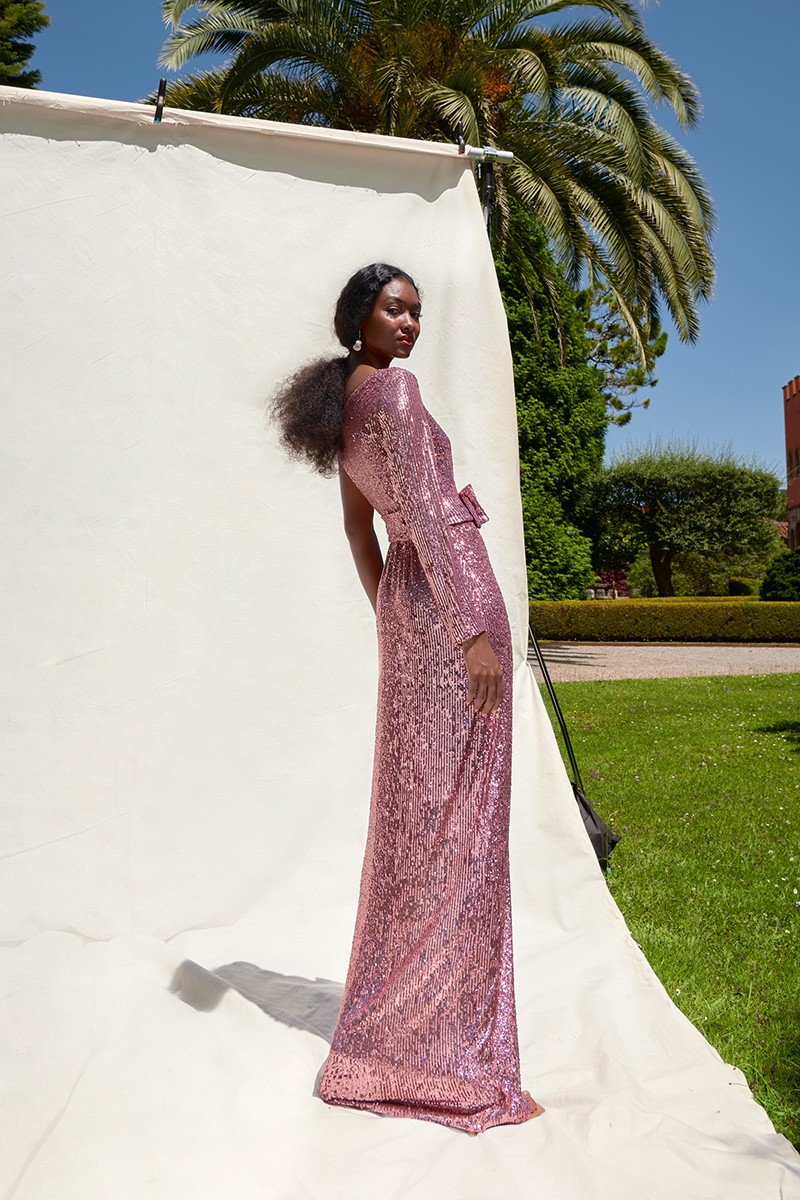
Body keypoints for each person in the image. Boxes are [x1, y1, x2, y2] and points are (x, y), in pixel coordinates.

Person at [271, 263, 543, 1134]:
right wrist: (466, 631)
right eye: (395, 309)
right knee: (465, 828)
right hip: (458, 609)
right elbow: (424, 510)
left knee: (416, 825)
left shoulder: (345, 407)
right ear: (360, 316)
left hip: (410, 610)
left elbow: (364, 532)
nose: (410, 324)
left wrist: (397, 615)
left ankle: (397, 1043)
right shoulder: (392, 393)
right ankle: (459, 1062)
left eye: (417, 313)